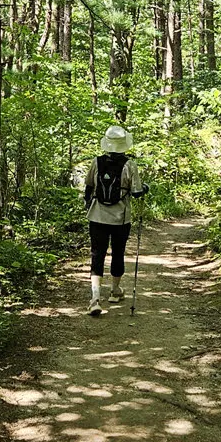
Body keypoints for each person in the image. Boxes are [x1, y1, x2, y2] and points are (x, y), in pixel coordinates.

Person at [83, 125, 147, 317]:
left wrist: (89, 206)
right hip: (120, 218)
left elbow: (88, 188)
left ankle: (94, 299)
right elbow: (136, 193)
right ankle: (115, 291)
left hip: (96, 217)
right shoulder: (130, 165)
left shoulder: (96, 161)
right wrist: (145, 189)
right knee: (117, 252)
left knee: (97, 255)